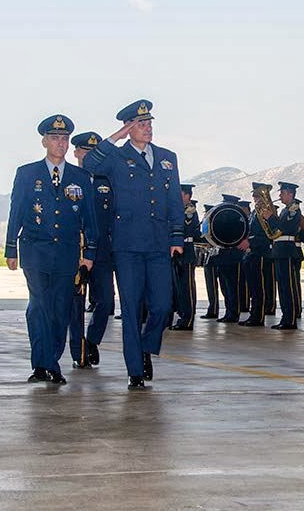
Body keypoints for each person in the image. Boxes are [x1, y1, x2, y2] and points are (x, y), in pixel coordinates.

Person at [82, 99, 184, 391]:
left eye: (150, 123)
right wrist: (115, 137)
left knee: (163, 306)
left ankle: (145, 346)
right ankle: (135, 371)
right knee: (130, 307)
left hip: (158, 245)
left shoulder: (167, 157)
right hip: (126, 246)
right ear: (129, 128)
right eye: (141, 124)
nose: (148, 127)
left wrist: (176, 237)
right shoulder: (116, 157)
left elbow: (174, 199)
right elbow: (89, 163)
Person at [5, 115, 97, 386]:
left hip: (67, 252)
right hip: (35, 250)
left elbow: (89, 218)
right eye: (55, 138)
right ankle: (42, 364)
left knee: (60, 309)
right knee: (38, 307)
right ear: (44, 141)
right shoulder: (27, 173)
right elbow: (16, 211)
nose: (61, 143)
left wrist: (89, 254)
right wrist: (11, 248)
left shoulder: (80, 176)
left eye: (65, 138)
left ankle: (52, 361)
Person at [69, 131, 115, 367]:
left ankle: (93, 339)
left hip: (102, 253)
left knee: (106, 301)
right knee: (75, 305)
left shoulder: (106, 182)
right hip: (76, 252)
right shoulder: (69, 179)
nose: (90, 156)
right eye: (86, 151)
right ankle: (79, 352)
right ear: (76, 152)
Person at [264, 182, 304, 330]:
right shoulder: (286, 210)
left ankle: (291, 319)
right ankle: (286, 317)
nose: (279, 196)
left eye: (282, 193)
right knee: (282, 287)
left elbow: (284, 227)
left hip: (287, 251)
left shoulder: (293, 209)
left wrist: (270, 217)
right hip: (280, 250)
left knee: (288, 287)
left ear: (290, 194)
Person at [239, 183, 275, 327]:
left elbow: (267, 236)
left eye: (257, 195)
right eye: (254, 195)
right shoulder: (255, 212)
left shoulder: (266, 211)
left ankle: (258, 316)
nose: (254, 198)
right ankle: (255, 314)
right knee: (253, 286)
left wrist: (250, 242)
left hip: (260, 252)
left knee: (259, 287)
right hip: (252, 253)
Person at [209, 194, 245, 324]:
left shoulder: (238, 217)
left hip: (233, 255)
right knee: (225, 286)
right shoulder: (223, 217)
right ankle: (229, 312)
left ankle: (233, 313)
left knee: (232, 286)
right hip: (223, 255)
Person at [170, 184, 200, 330]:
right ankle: (182, 316)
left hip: (186, 251)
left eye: (181, 194)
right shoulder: (178, 210)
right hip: (177, 252)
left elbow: (186, 228)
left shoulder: (190, 211)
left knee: (187, 288)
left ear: (187, 195)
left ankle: (188, 319)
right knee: (179, 288)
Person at [199, 203, 221, 319]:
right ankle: (212, 308)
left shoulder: (213, 224)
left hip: (213, 256)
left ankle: (213, 309)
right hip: (209, 255)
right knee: (210, 285)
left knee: (213, 285)